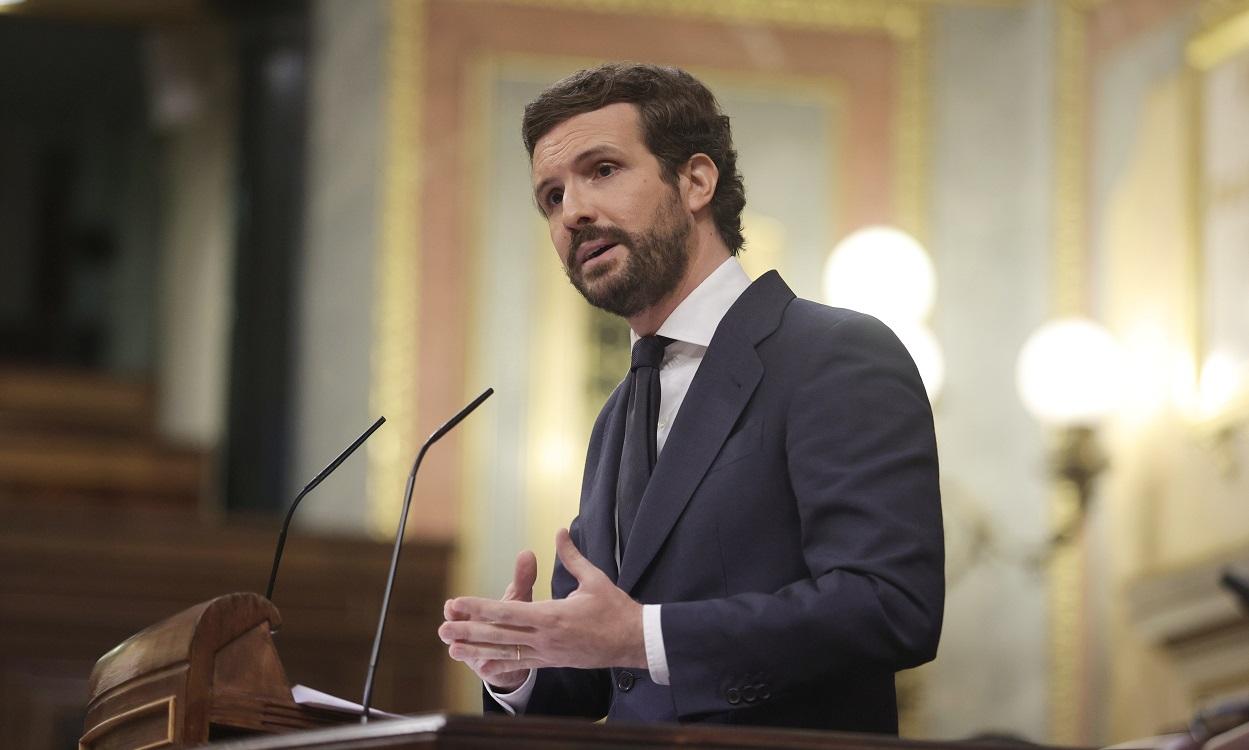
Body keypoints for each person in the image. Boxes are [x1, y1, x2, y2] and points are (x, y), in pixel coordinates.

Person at [438, 62, 943, 733]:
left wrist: (642, 636)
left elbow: (888, 606)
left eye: (603, 170)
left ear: (696, 181)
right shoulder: (617, 412)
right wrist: (521, 664)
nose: (574, 212)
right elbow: (601, 676)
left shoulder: (832, 353)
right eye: (551, 197)